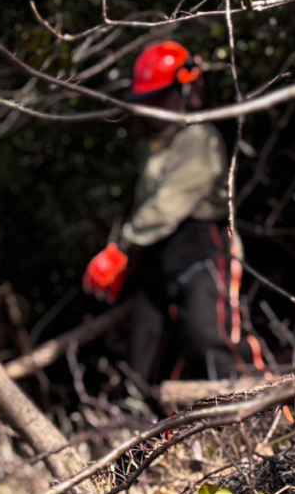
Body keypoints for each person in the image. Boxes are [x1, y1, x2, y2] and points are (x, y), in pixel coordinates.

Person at [82, 41, 264, 384]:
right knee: (144, 361)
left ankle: (268, 419)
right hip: (159, 259)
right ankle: (148, 433)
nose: (152, 108)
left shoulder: (199, 139)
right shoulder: (155, 149)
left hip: (202, 250)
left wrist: (121, 248)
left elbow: (167, 207)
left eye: (160, 97)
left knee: (210, 342)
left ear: (184, 90)